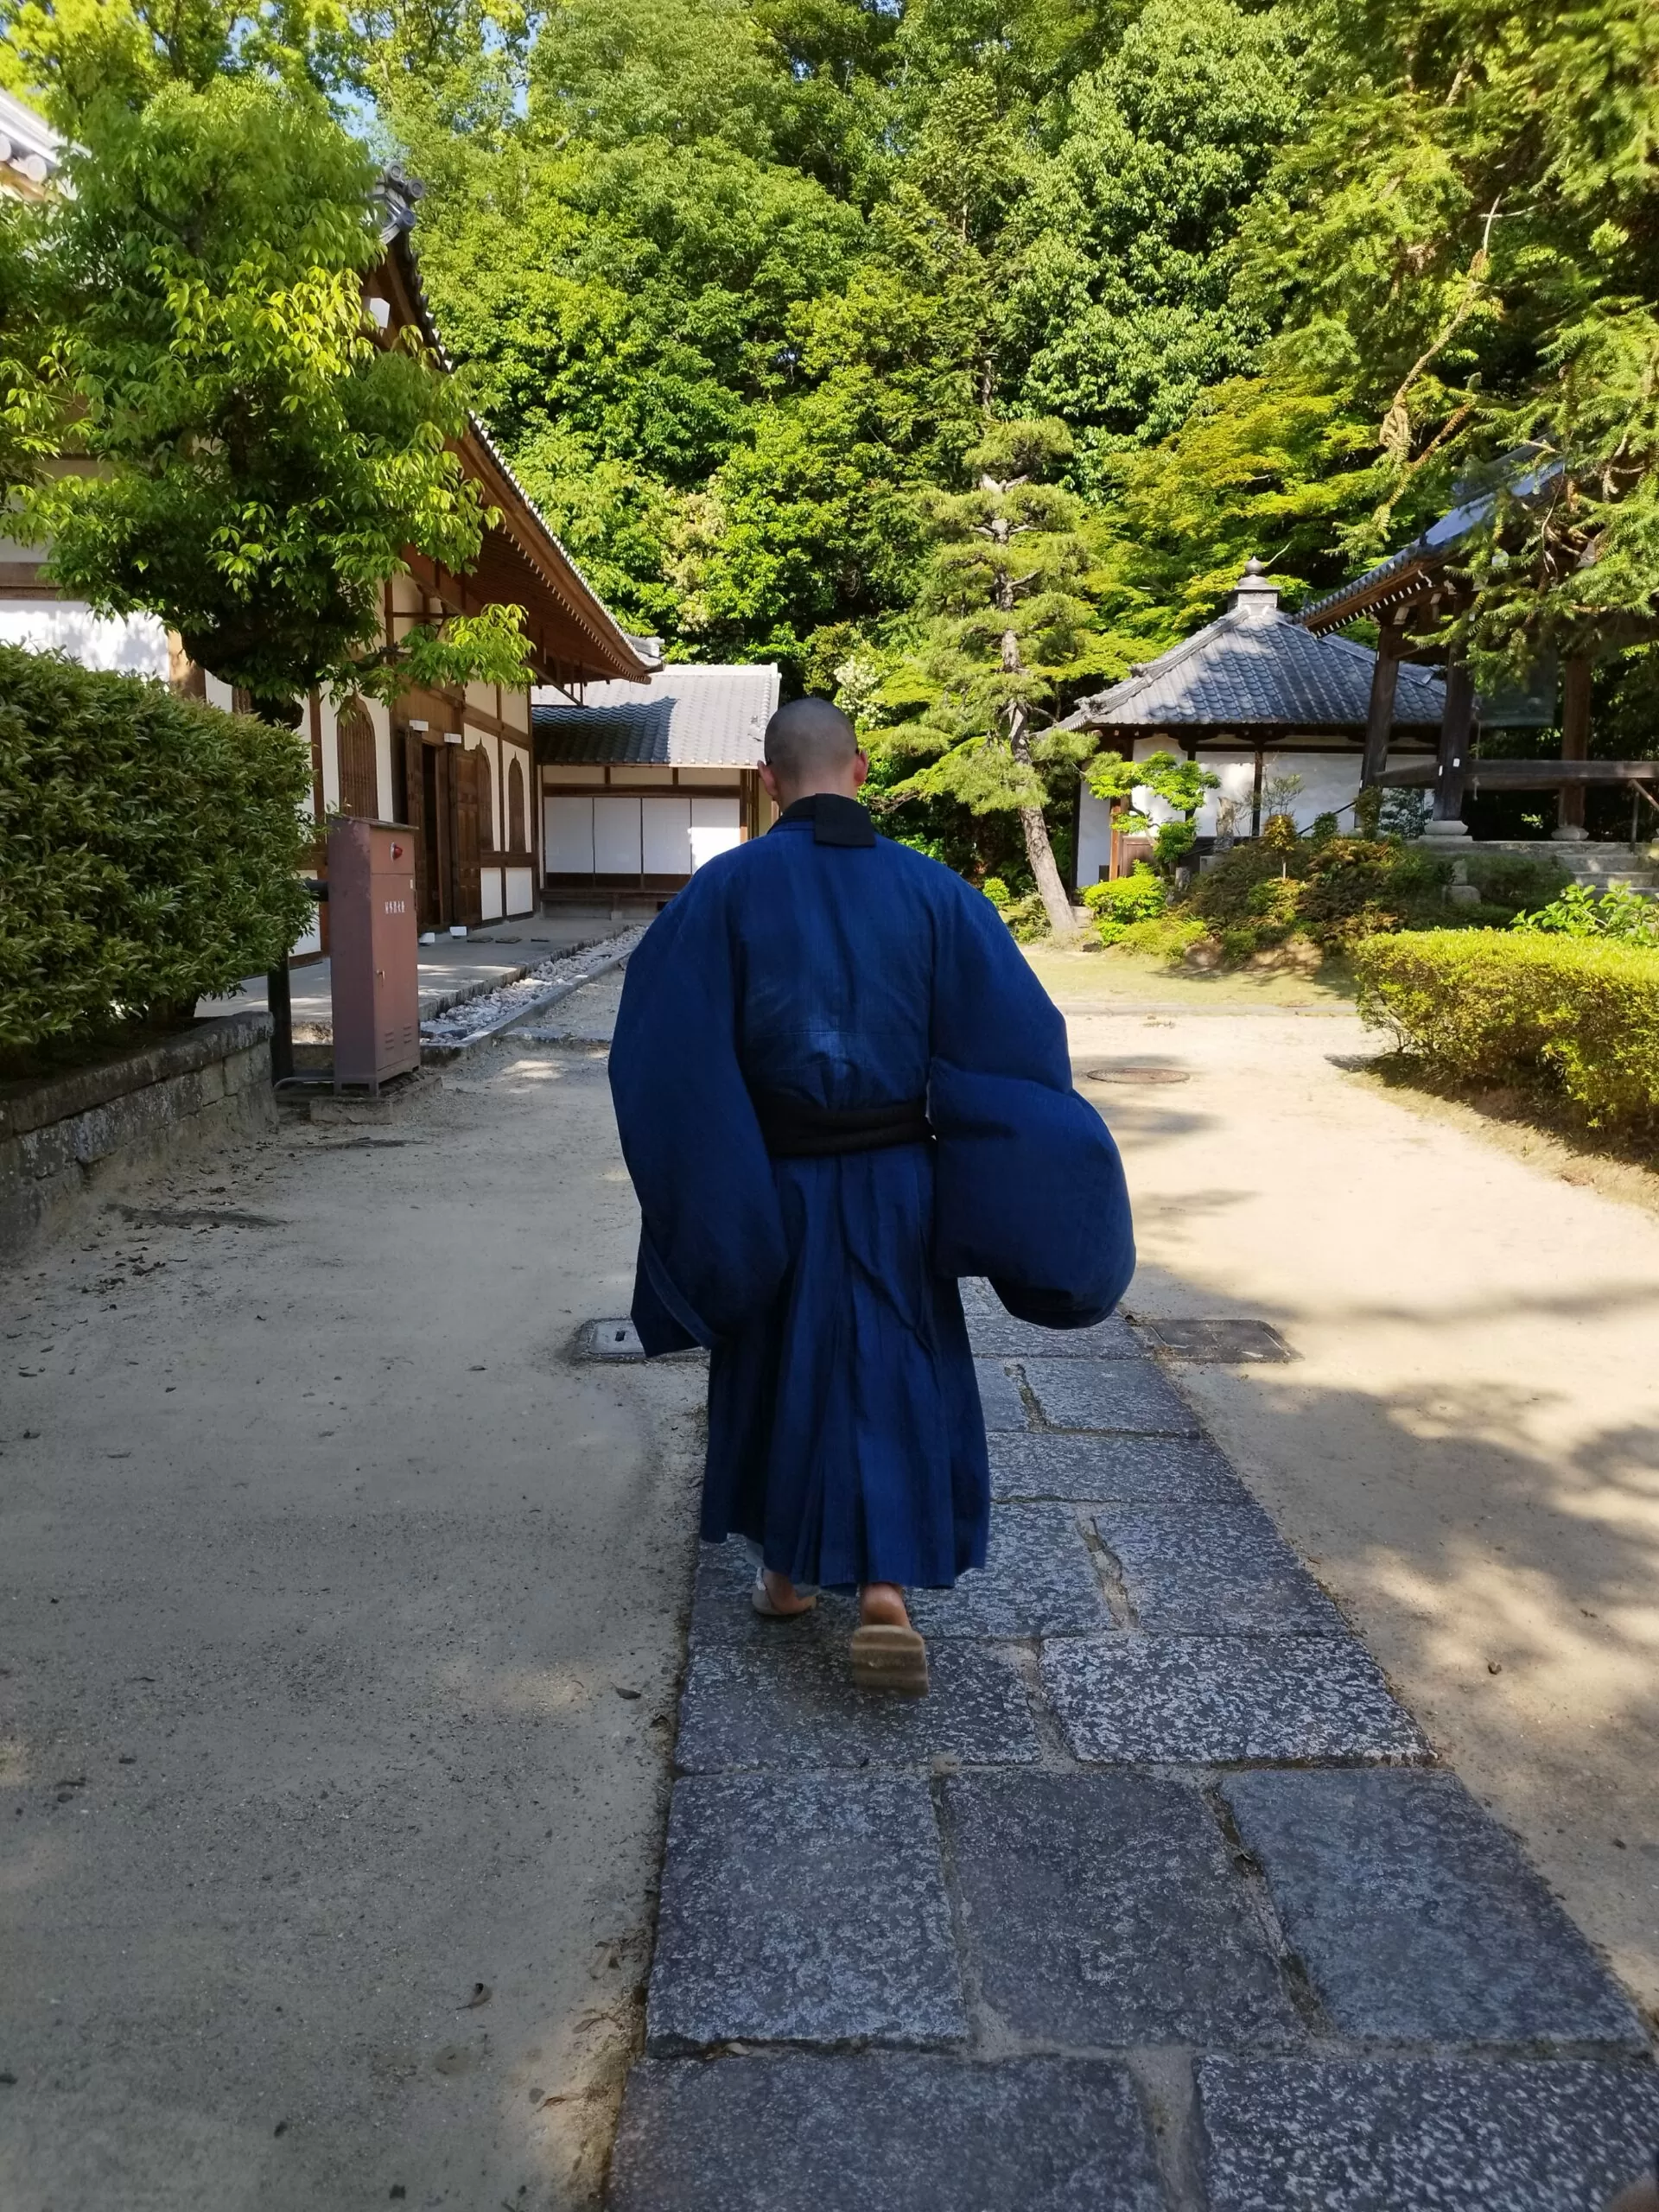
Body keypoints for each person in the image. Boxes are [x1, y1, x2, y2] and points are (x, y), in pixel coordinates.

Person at [609, 696, 1134, 1694]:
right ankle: (888, 1590)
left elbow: (663, 1060)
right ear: (858, 770)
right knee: (896, 1362)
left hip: (773, 1183)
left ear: (770, 781)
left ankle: (786, 1574)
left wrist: (712, 1189)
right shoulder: (939, 897)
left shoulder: (721, 894)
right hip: (901, 1182)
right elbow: (1021, 1055)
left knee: (778, 1364)